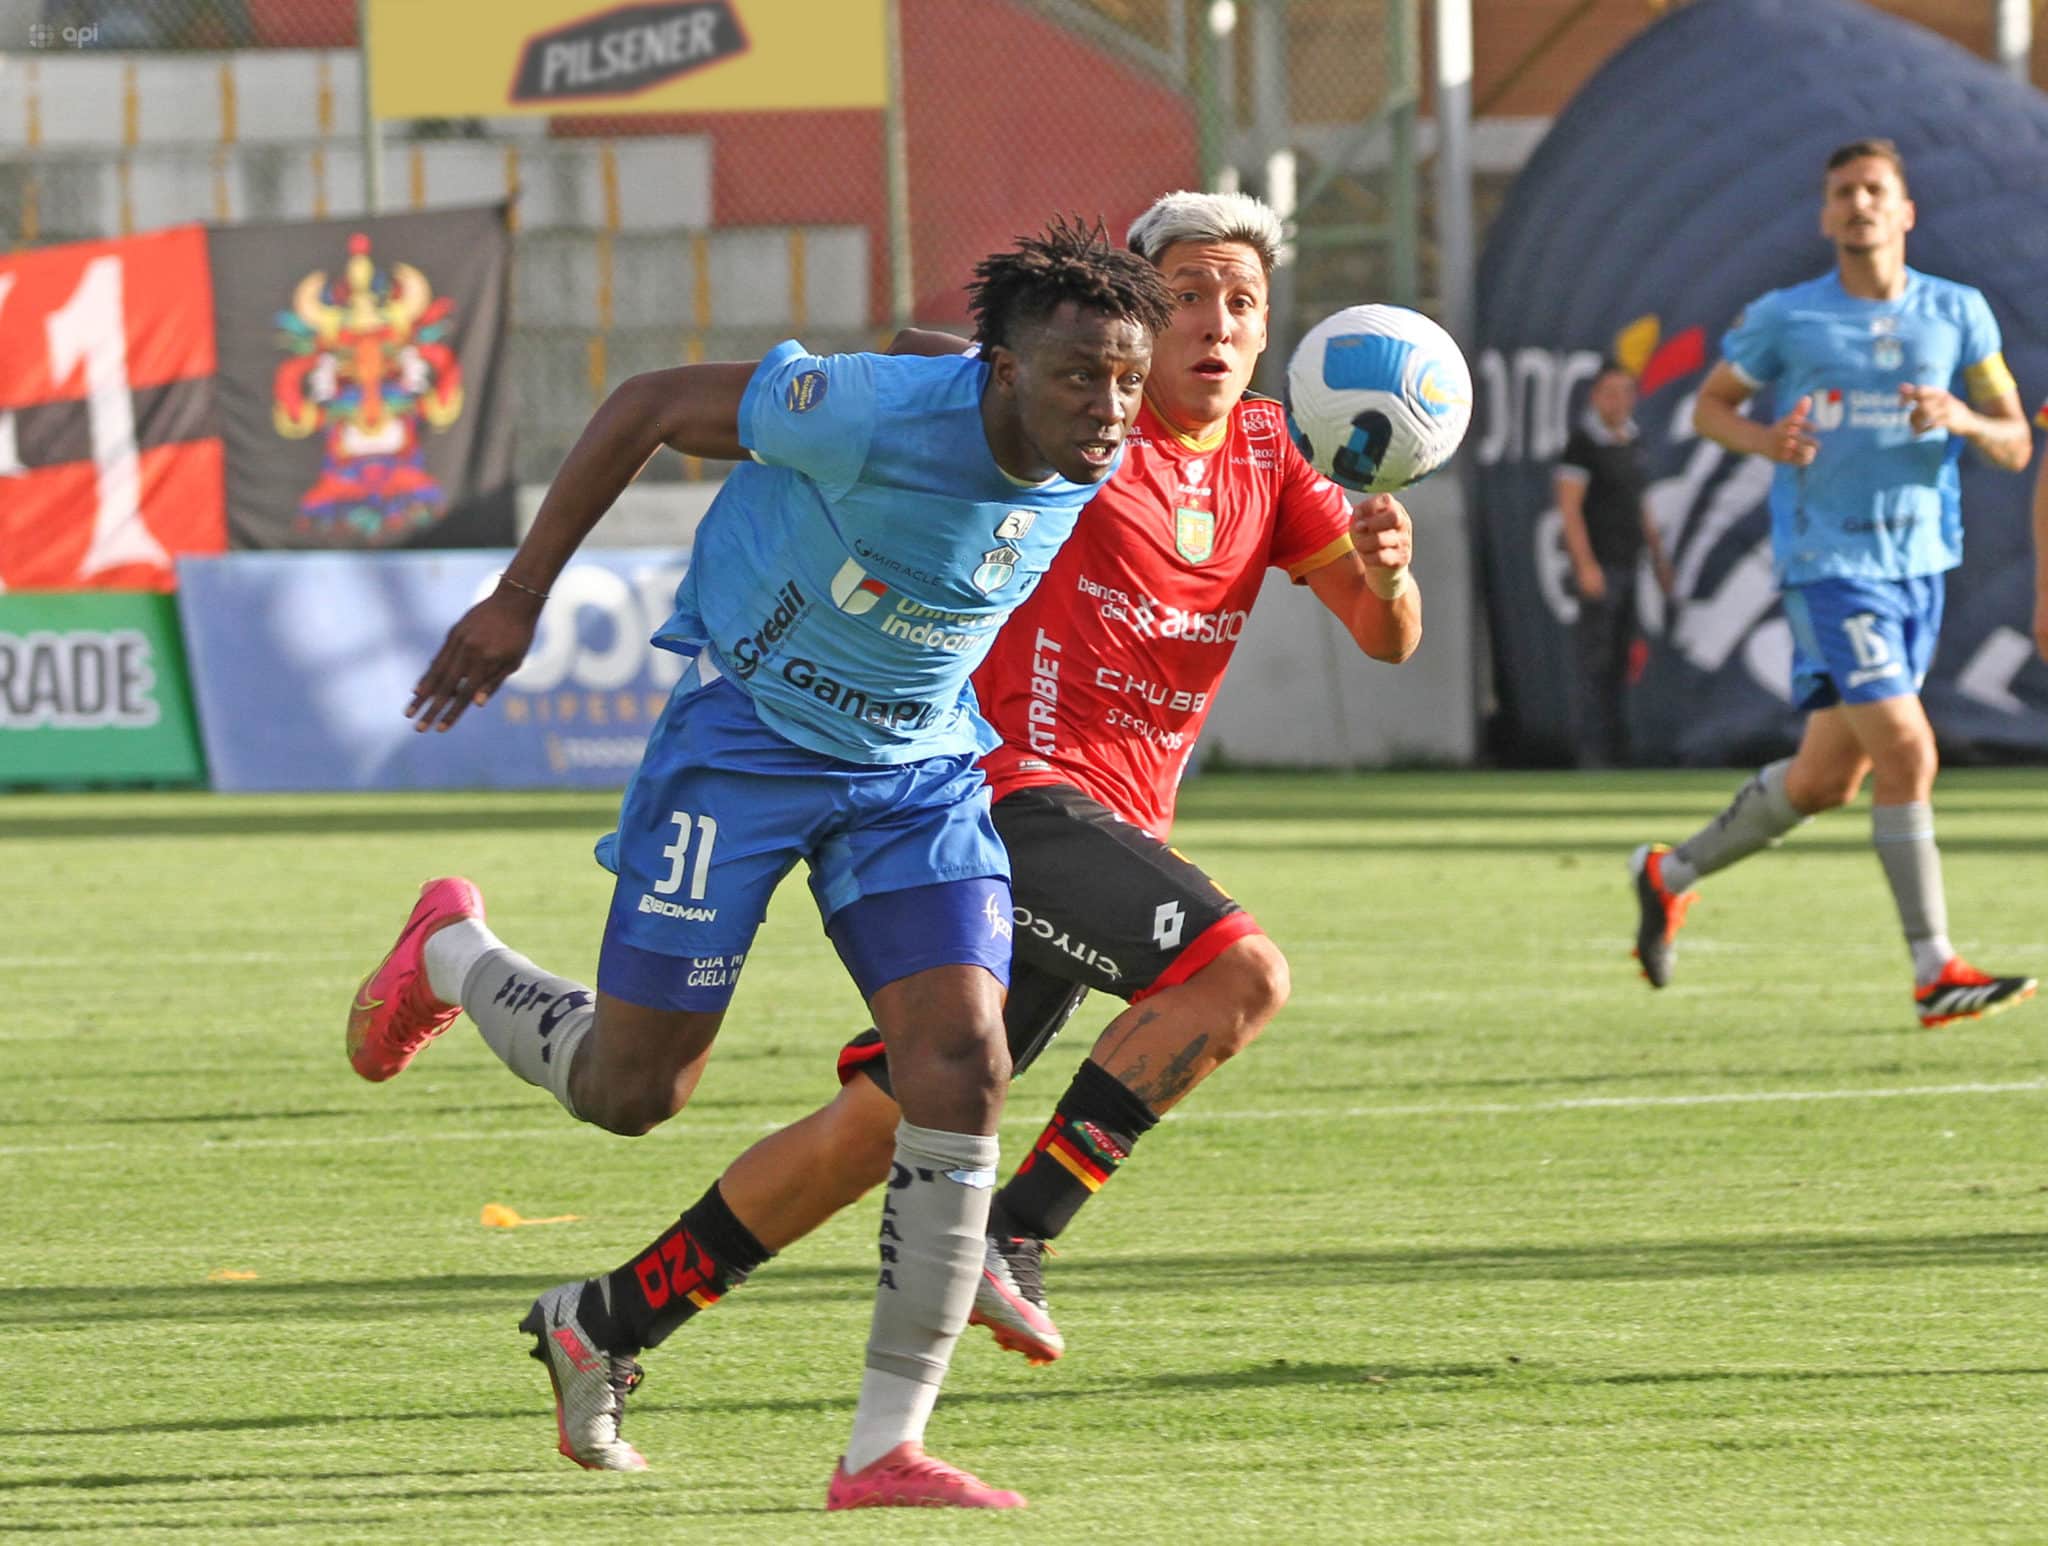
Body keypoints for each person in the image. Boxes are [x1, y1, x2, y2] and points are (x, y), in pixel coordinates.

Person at [488, 187, 1421, 1470]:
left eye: (1240, 301)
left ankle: (604, 1320)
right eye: (1186, 296)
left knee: (884, 1127)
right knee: (1235, 974)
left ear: (1269, 333)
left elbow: (1381, 636)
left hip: (1108, 831)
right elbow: (939, 379)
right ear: (1130, 319)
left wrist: (1388, 569)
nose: (1214, 321)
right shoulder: (1080, 420)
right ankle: (1015, 1233)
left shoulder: (1267, 455)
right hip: (1004, 791)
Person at [343, 218, 1176, 1511]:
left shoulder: (1086, 427)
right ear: (1006, 370)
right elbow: (649, 403)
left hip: (914, 770)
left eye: (1128, 377)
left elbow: (947, 349)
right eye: (1081, 376)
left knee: (962, 1064)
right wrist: (518, 596)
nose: (1111, 407)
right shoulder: (866, 414)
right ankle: (451, 953)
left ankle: (883, 1449)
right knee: (634, 1091)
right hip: (746, 742)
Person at [1633, 138, 2035, 1026]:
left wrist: (1962, 417)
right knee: (1910, 752)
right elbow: (1710, 406)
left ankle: (1670, 873)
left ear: (1905, 210)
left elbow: (2014, 444)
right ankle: (1935, 970)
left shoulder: (1959, 313)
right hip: (1830, 567)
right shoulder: (1789, 317)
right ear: (1826, 216)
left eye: (1875, 190)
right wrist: (1767, 440)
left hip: (1918, 569)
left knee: (1824, 783)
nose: (1859, 204)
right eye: (1844, 192)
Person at [1554, 361, 1675, 768]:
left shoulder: (1632, 440)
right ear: (1595, 396)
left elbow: (1640, 505)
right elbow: (1569, 509)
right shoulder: (1582, 444)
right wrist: (1585, 566)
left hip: (1630, 564)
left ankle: (1619, 751)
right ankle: (1592, 755)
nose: (1618, 401)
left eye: (1625, 392)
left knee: (1623, 661)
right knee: (1595, 661)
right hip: (1601, 566)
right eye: (1610, 392)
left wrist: (1658, 558)